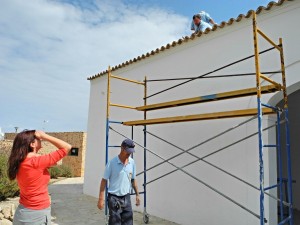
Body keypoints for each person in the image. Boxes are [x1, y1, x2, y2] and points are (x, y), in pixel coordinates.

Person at [7, 130, 72, 225]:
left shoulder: (20, 161)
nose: (41, 139)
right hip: (36, 215)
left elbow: (53, 163)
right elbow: (67, 147)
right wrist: (45, 136)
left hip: (22, 212)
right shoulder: (37, 162)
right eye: (39, 139)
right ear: (32, 144)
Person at [98, 138, 140, 225]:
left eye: (131, 151)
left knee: (128, 223)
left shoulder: (132, 162)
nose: (129, 153)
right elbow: (103, 181)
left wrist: (137, 195)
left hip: (126, 198)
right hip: (114, 199)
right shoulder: (112, 163)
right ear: (122, 148)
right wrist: (101, 199)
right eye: (128, 151)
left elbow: (133, 179)